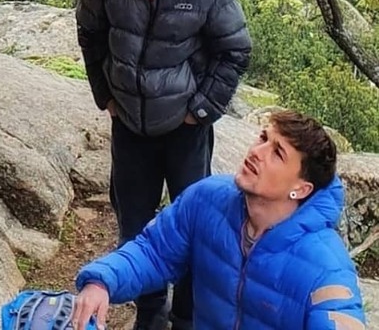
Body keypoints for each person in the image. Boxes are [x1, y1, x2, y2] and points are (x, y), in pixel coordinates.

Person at [76, 0, 251, 330]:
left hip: (184, 130)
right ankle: (150, 316)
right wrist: (106, 95)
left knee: (194, 230)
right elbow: (90, 33)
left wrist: (201, 110)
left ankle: (186, 319)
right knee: (135, 228)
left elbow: (235, 49)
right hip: (129, 125)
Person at [71, 110, 365, 330]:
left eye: (277, 153)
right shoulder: (208, 200)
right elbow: (154, 252)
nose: (256, 152)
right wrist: (103, 281)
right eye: (263, 138)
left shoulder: (325, 267)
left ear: (300, 188)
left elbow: (340, 317)